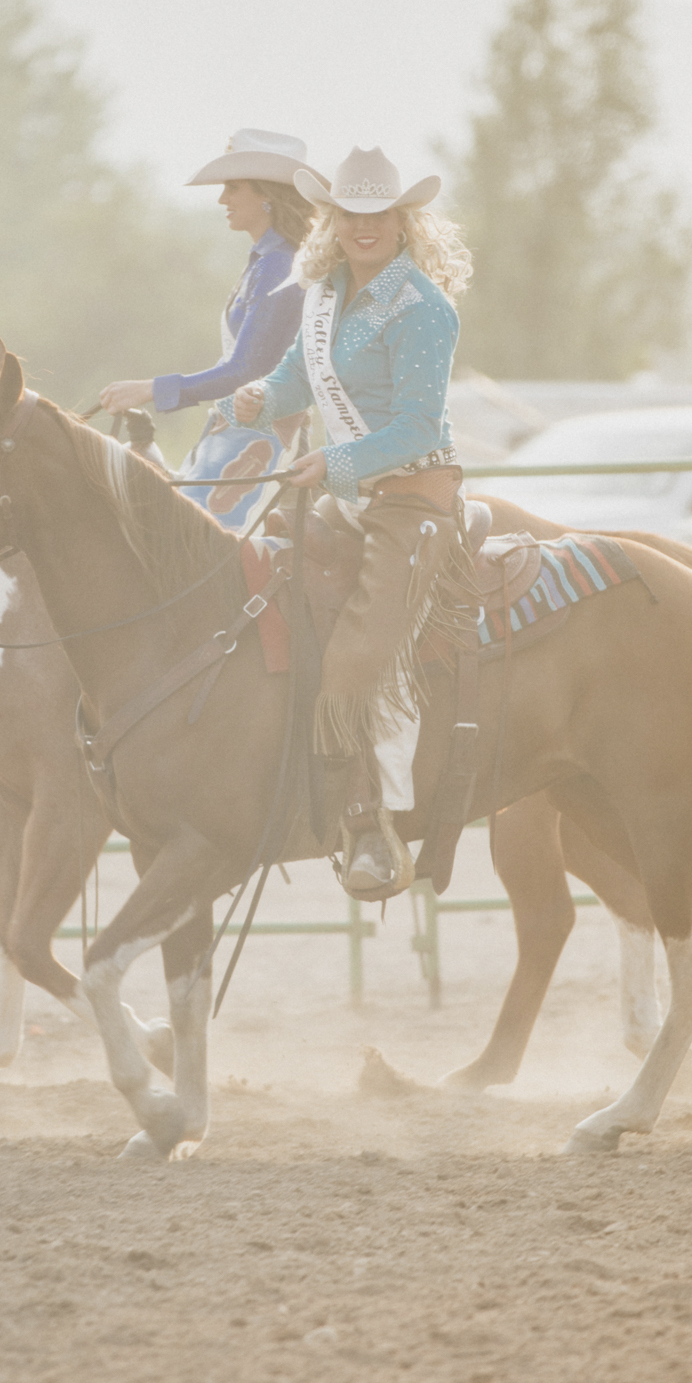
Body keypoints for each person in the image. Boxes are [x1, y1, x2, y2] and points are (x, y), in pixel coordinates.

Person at [224, 146, 473, 898]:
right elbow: (300, 371)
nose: (364, 227)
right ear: (332, 220)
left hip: (411, 502)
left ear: (403, 221)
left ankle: (374, 823)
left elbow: (417, 427)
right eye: (351, 214)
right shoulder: (326, 291)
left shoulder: (426, 308)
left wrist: (331, 466)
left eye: (378, 214)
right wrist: (261, 398)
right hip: (349, 496)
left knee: (359, 659)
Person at [98, 129, 323, 531]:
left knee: (191, 545)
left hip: (262, 439)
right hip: (241, 432)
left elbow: (246, 371)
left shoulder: (278, 266)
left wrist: (151, 389)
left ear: (266, 195)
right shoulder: (266, 261)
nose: (223, 199)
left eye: (233, 188)